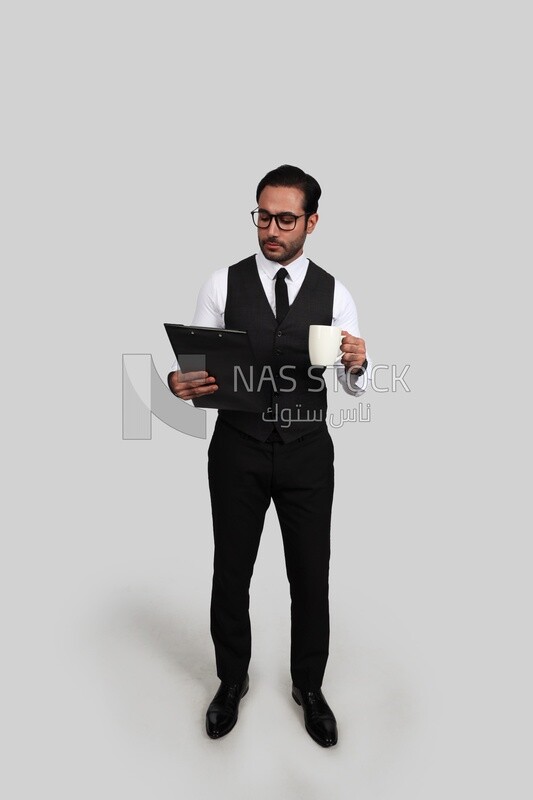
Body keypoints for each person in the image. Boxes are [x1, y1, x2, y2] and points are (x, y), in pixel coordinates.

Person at [168, 165, 370, 747]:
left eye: (285, 218)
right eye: (262, 216)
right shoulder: (222, 284)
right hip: (237, 450)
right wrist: (179, 384)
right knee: (231, 572)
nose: (271, 229)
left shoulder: (337, 293)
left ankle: (309, 687)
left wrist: (358, 365)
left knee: (310, 575)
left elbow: (354, 385)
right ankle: (231, 681)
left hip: (308, 452)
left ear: (312, 221)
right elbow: (196, 367)